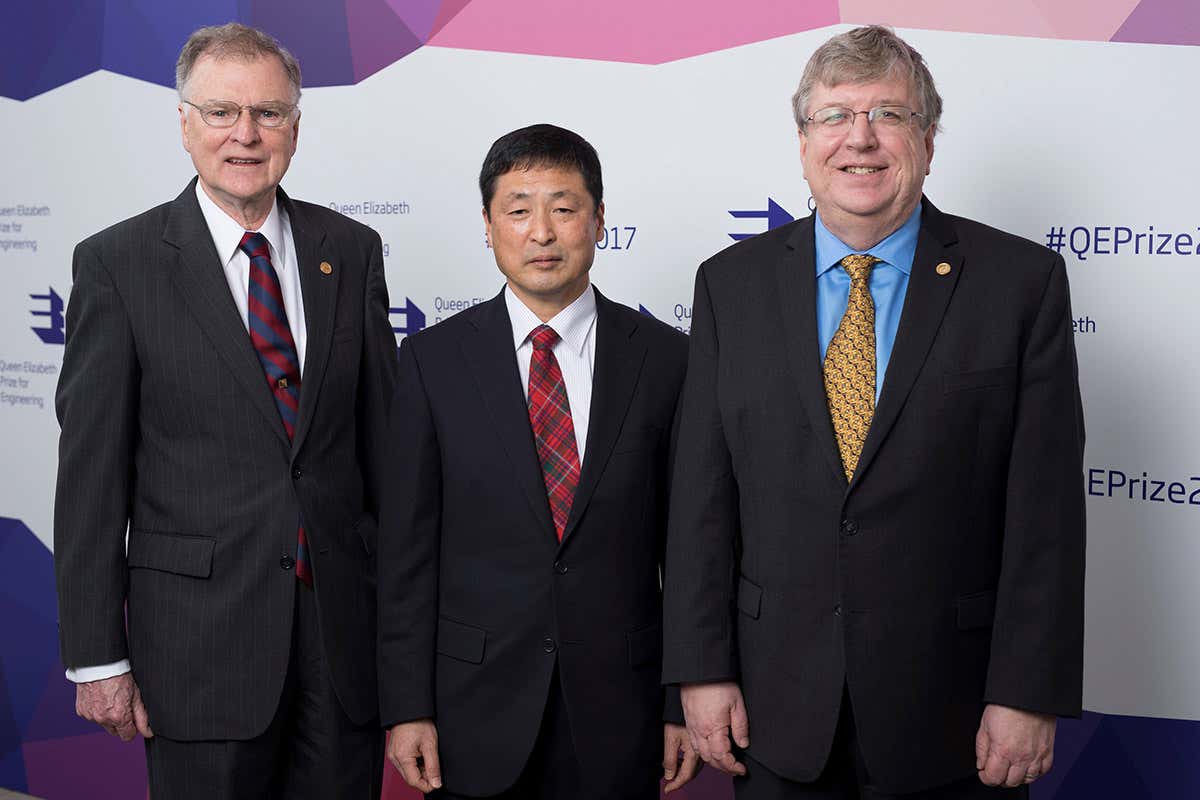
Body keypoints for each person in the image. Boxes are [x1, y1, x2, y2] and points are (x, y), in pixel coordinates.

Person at [663, 25, 1085, 799]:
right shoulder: (731, 285)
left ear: (927, 138)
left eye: (889, 114)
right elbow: (701, 499)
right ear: (802, 141)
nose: (860, 138)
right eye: (834, 116)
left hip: (953, 714)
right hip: (775, 708)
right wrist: (699, 669)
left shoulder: (1018, 284)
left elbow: (1046, 515)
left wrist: (1028, 691)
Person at [53, 22, 396, 798]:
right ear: (183, 124)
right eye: (220, 112)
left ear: (296, 129)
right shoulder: (118, 264)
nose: (246, 134)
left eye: (269, 114)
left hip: (343, 643)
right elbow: (90, 480)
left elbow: (381, 454)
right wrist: (100, 657)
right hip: (199, 648)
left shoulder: (354, 249)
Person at [378, 123, 699, 799]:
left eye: (564, 206)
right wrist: (408, 706)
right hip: (472, 707)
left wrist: (681, 703)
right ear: (489, 225)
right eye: (519, 209)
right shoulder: (433, 363)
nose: (542, 233)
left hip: (623, 706)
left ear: (600, 219)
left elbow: (691, 547)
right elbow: (406, 554)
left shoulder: (667, 361)